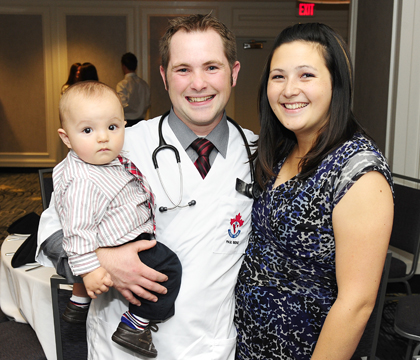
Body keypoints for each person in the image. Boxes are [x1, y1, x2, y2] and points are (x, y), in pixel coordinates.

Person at [36, 13, 258, 360]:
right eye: (183, 69)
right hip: (118, 348)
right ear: (163, 76)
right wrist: (103, 259)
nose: (198, 83)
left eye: (212, 67)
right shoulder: (116, 145)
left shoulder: (259, 155)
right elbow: (50, 232)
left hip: (209, 347)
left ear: (234, 72)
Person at [234, 22, 394, 360]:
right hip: (247, 347)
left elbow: (356, 304)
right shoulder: (277, 152)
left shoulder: (357, 172)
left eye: (306, 75)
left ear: (336, 84)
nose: (289, 89)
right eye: (278, 77)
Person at [54, 80, 181, 358]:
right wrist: (91, 269)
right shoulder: (84, 179)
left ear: (124, 124)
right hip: (126, 240)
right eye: (88, 130)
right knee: (168, 269)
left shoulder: (92, 161)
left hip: (114, 234)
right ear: (66, 138)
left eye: (112, 127)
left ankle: (78, 301)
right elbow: (75, 230)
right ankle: (135, 326)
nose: (103, 138)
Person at [116, 52, 151, 127]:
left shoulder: (122, 85)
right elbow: (147, 104)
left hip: (127, 124)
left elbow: (122, 106)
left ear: (123, 66)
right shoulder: (144, 84)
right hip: (142, 124)